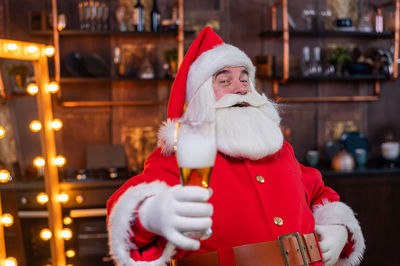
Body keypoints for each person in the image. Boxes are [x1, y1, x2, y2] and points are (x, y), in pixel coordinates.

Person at [107, 27, 365, 266]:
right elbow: (126, 208)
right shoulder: (183, 155)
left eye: (245, 78)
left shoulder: (280, 150)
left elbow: (319, 194)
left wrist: (338, 227)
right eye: (224, 80)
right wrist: (150, 215)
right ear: (202, 98)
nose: (241, 88)